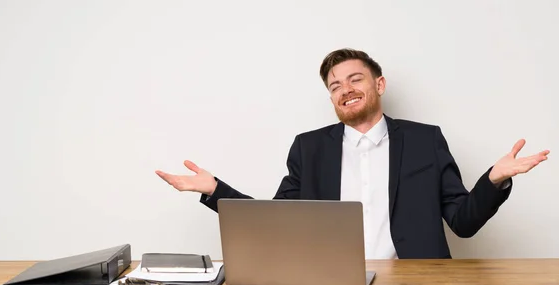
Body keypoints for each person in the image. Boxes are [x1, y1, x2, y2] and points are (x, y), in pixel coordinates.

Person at [155, 48, 550, 259]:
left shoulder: (424, 140)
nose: (344, 89)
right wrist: (214, 190)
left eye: (354, 79)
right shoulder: (308, 148)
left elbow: (462, 222)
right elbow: (277, 222)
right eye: (334, 86)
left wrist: (494, 180)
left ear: (378, 84)